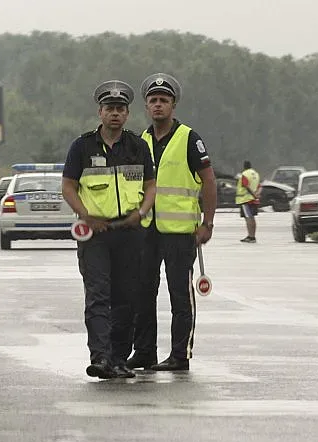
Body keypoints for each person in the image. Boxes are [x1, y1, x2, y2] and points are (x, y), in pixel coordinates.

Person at [62, 80, 157, 380]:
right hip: (96, 234)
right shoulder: (82, 146)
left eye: (120, 109)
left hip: (130, 231)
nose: (114, 114)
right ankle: (100, 357)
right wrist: (85, 215)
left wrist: (141, 213)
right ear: (100, 112)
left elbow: (151, 185)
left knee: (128, 297)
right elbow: (68, 186)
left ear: (127, 114)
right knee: (98, 295)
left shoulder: (137, 146)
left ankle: (119, 358)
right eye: (109, 108)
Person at [127, 73, 217, 373]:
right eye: (152, 101)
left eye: (163, 101)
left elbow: (208, 181)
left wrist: (208, 223)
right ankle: (144, 352)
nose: (157, 106)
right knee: (143, 291)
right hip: (146, 231)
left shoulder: (189, 138)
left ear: (173, 105)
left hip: (180, 232)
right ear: (146, 107)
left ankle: (180, 355)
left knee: (180, 294)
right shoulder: (140, 140)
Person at [236, 159, 261, 243]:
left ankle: (251, 237)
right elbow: (260, 186)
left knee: (248, 218)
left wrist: (253, 194)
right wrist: (256, 195)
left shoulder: (245, 174)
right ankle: (252, 236)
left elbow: (245, 185)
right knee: (252, 218)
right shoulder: (256, 174)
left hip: (245, 200)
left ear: (244, 166)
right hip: (253, 200)